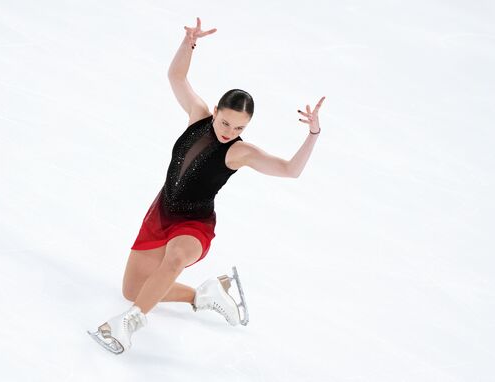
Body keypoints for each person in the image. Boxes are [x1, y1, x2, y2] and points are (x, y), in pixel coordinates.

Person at [87, 17, 326, 355]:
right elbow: (176, 77)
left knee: (173, 261)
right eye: (225, 121)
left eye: (238, 126)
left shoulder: (240, 151)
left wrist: (313, 134)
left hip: (194, 225)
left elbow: (290, 170)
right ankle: (206, 295)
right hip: (161, 213)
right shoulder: (198, 116)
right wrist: (189, 43)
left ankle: (130, 323)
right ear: (215, 110)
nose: (229, 130)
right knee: (133, 287)